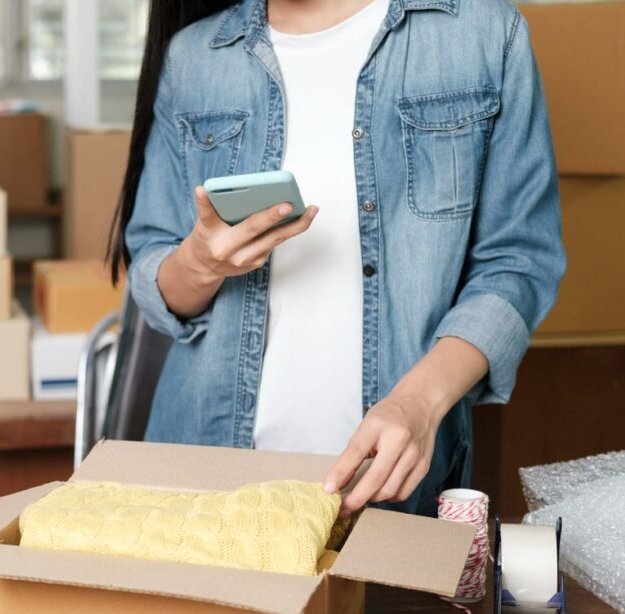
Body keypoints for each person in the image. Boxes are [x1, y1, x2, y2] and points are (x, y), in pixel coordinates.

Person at [107, 0, 565, 516]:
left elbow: (518, 262)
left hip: (386, 486)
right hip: (203, 476)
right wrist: (201, 262)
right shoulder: (195, 56)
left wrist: (420, 402)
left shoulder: (480, 34)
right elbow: (157, 278)